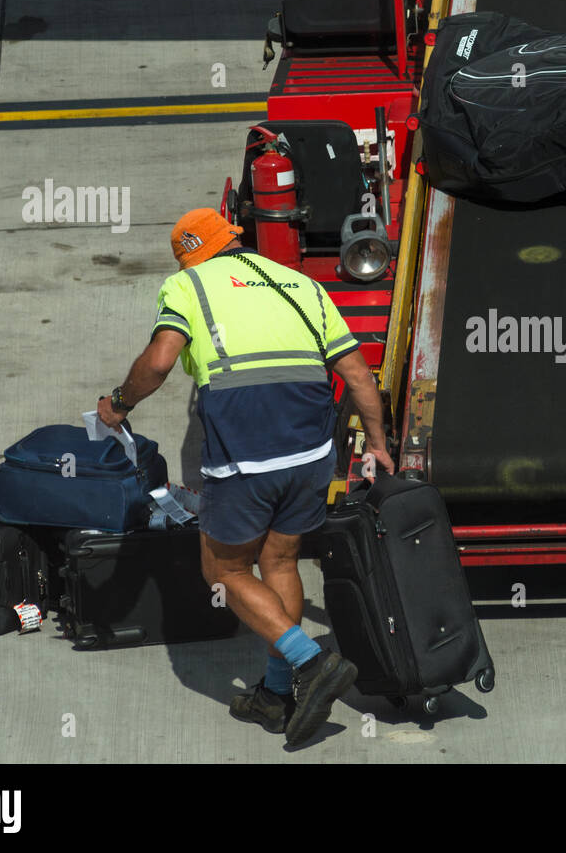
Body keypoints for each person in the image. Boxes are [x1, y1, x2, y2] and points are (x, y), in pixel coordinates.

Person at [96, 207, 395, 744]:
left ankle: (311, 662)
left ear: (190, 257)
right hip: (311, 454)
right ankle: (277, 697)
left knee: (224, 572)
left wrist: (118, 403)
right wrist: (377, 444)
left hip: (245, 457)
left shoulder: (188, 286)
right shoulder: (299, 283)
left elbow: (161, 361)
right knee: (279, 560)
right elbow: (356, 373)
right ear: (233, 239)